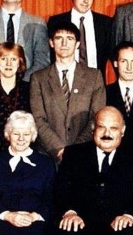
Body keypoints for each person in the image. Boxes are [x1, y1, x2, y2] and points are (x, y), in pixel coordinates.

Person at [54, 107, 133, 235]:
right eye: (101, 127)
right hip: (82, 221)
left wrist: (129, 215)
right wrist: (70, 212)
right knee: (66, 232)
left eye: (113, 128)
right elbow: (60, 189)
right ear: (93, 129)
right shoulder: (74, 154)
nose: (107, 134)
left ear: (122, 131)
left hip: (121, 222)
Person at [0, 111, 55, 235]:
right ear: (8, 135)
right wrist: (8, 215)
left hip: (34, 221)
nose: (21, 139)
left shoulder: (45, 163)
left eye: (26, 134)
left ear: (32, 136)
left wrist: (34, 216)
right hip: (2, 220)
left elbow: (51, 198)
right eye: (16, 134)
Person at [29, 22, 106, 160]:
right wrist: (59, 149)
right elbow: (38, 119)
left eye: (69, 38)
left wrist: (74, 151)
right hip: (49, 155)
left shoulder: (94, 76)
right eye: (59, 38)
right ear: (51, 43)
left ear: (77, 44)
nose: (64, 43)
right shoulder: (38, 78)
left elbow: (96, 117)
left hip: (83, 154)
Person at [48, 0, 113, 76]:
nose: (86, 0)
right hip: (64, 82)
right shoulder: (56, 21)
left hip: (96, 84)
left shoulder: (106, 23)